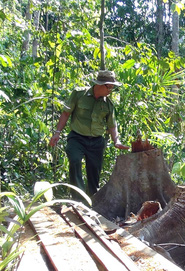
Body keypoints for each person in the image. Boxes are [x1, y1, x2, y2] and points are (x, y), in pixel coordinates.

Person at [49, 70, 129, 201]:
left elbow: (112, 125)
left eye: (112, 88)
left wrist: (117, 141)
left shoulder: (108, 104)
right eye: (109, 87)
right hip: (77, 138)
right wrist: (57, 133)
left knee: (94, 173)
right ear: (100, 85)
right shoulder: (79, 94)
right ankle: (78, 200)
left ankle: (92, 201)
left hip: (97, 142)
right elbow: (66, 113)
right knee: (74, 161)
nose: (111, 90)